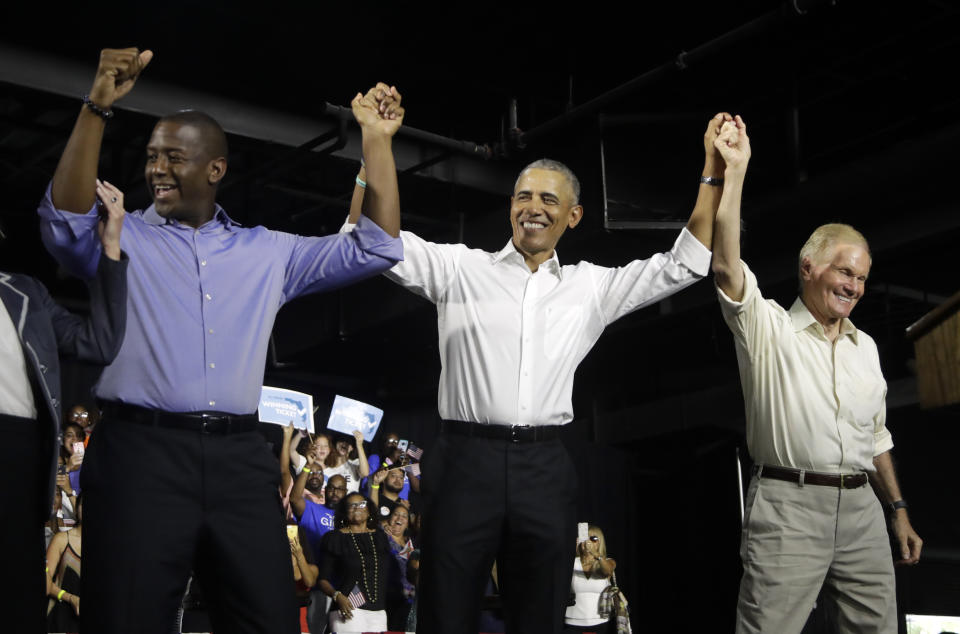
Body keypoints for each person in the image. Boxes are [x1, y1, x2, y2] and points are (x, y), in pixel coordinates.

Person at [36, 47, 404, 634]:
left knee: (267, 619)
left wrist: (377, 142)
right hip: (139, 456)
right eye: (153, 157)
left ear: (215, 169)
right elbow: (61, 220)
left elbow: (376, 246)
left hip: (239, 461)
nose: (156, 168)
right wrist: (97, 107)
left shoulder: (268, 250)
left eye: (173, 157)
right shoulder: (121, 232)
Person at [345, 111, 731, 633]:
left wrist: (712, 169)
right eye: (524, 197)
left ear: (573, 216)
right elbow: (378, 239)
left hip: (544, 468)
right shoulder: (460, 269)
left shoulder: (590, 287)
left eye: (549, 200)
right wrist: (377, 141)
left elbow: (685, 263)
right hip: (464, 464)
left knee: (541, 617)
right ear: (510, 208)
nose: (534, 208)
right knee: (445, 613)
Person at [709, 116, 923, 633]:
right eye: (845, 271)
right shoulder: (768, 328)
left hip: (862, 513)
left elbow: (875, 436)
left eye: (863, 278)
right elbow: (725, 267)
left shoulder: (865, 347)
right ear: (809, 267)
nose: (855, 286)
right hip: (788, 507)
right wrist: (733, 172)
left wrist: (897, 508)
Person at [0, 180, 125, 634]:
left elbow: (100, 341)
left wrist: (110, 248)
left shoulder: (25, 293)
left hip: (16, 451)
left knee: (15, 600)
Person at [318, 493, 392, 633]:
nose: (357, 508)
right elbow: (322, 580)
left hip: (379, 612)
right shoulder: (335, 538)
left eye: (361, 504)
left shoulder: (380, 537)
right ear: (345, 512)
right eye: (351, 505)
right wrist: (337, 596)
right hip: (349, 610)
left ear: (369, 510)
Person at [564, 525, 616, 634]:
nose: (589, 542)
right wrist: (571, 551)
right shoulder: (571, 562)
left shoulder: (607, 561)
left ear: (600, 542)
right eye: (585, 538)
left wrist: (596, 554)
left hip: (600, 621)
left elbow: (608, 571)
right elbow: (558, 572)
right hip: (573, 622)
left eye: (594, 539)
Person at [46, 494, 84, 632]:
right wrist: (69, 598)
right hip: (60, 619)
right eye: (82, 504)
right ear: (76, 508)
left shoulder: (108, 545)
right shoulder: (62, 540)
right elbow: (46, 583)